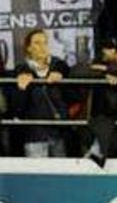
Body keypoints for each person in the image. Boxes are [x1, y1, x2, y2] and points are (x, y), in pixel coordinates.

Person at [8, 28, 71, 157]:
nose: (42, 47)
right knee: (37, 175)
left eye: (45, 43)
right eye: (37, 43)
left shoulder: (59, 66)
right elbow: (16, 108)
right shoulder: (21, 70)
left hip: (58, 134)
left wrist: (61, 72)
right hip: (34, 137)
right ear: (29, 48)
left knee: (62, 175)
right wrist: (21, 89)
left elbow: (71, 95)